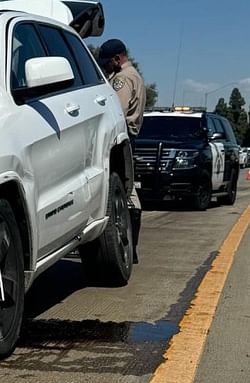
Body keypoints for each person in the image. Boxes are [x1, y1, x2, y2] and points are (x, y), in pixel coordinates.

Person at [97, 38, 145, 264]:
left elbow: (117, 110)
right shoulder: (134, 75)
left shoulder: (123, 79)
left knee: (127, 194)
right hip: (131, 136)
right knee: (130, 192)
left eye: (107, 63)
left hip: (121, 138)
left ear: (117, 59)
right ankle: (131, 247)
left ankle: (128, 245)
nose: (106, 67)